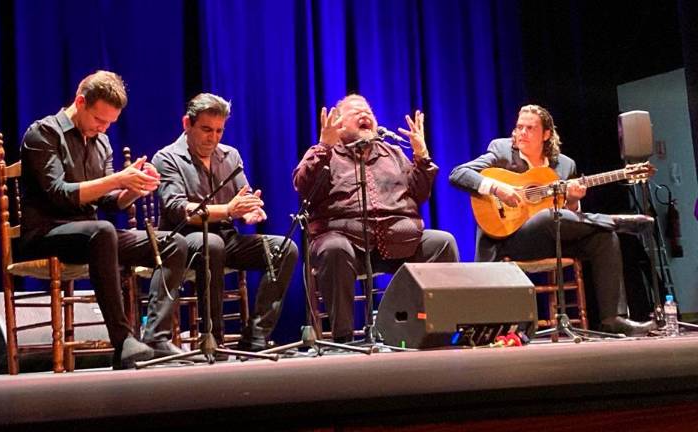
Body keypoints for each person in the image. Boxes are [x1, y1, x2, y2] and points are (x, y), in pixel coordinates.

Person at [20, 70, 190, 369]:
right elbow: (59, 193)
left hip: (95, 237)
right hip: (47, 234)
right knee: (102, 232)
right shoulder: (43, 133)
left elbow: (110, 203)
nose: (103, 128)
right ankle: (123, 340)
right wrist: (116, 179)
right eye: (99, 120)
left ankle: (155, 338)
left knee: (173, 242)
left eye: (110, 123)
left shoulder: (101, 143)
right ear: (81, 101)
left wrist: (135, 187)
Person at [449, 104, 656, 336]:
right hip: (511, 239)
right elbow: (458, 174)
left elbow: (571, 214)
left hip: (554, 239)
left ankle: (613, 319)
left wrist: (574, 201)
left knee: (604, 237)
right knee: (550, 217)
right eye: (519, 127)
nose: (522, 133)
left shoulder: (565, 165)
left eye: (530, 128)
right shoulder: (501, 151)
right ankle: (613, 220)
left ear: (546, 134)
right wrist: (497, 188)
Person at [293, 94, 460, 343]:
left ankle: (438, 330)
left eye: (368, 112)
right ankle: (344, 338)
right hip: (347, 244)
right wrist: (323, 148)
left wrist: (422, 155)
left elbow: (419, 193)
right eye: (356, 112)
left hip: (399, 241)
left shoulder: (391, 152)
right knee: (334, 248)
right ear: (338, 123)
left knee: (442, 242)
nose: (365, 115)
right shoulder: (325, 153)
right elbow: (303, 185)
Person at [152, 93, 298, 352]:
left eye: (219, 130)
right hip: (183, 239)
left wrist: (250, 210)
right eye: (207, 129)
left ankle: (256, 334)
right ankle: (213, 338)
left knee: (285, 248)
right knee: (213, 245)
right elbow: (178, 210)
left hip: (227, 237)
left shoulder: (230, 156)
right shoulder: (167, 158)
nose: (214, 137)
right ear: (187, 123)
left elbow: (244, 196)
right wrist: (229, 210)